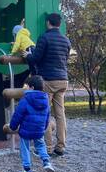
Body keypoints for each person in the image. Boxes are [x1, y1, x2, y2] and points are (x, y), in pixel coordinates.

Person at [23, 13, 71, 156]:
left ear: (48, 23)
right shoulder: (65, 40)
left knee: (44, 114)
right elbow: (65, 59)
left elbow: (36, 58)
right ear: (59, 24)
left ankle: (48, 148)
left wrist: (28, 56)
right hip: (63, 80)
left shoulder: (44, 38)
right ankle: (61, 146)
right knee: (60, 114)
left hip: (48, 81)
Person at [3, 75, 55, 172]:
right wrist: (43, 128)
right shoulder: (46, 100)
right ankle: (46, 162)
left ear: (32, 87)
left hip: (26, 130)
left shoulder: (26, 99)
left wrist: (13, 126)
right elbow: (47, 116)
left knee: (25, 148)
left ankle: (27, 171)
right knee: (41, 145)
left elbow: (18, 114)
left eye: (27, 86)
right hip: (39, 130)